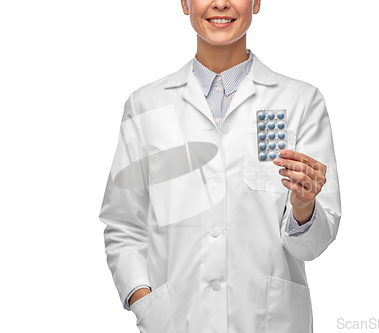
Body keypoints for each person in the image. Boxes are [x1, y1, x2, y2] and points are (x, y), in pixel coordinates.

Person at [98, 0, 341, 332]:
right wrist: (146, 303)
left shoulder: (300, 102)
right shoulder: (146, 106)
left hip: (271, 320)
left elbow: (311, 246)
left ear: (256, 2)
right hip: (177, 322)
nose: (221, 3)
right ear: (184, 3)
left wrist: (303, 206)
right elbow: (123, 224)